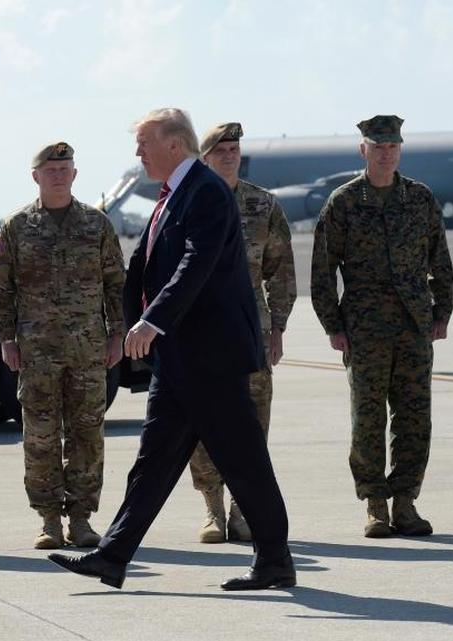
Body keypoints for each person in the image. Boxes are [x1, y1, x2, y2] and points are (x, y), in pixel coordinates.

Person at [48, 108, 295, 591]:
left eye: (143, 143)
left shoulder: (205, 192)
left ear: (174, 146)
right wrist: (124, 325)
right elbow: (142, 265)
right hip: (180, 358)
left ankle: (274, 560)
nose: (137, 153)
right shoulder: (175, 193)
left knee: (242, 459)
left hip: (210, 356)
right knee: (154, 461)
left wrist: (153, 320)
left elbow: (195, 263)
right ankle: (113, 556)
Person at [310, 115, 453, 538]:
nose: (386, 153)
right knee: (368, 419)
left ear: (399, 150)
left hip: (414, 326)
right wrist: (333, 325)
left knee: (414, 417)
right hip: (364, 327)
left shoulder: (419, 198)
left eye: (392, 146)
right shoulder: (344, 202)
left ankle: (406, 501)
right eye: (378, 146)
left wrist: (441, 312)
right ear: (363, 151)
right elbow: (323, 270)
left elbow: (440, 259)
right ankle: (375, 503)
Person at [0, 141, 126, 549]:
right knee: (41, 437)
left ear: (75, 174)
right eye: (51, 169)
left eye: (65, 168)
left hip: (88, 352)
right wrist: (7, 338)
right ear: (36, 176)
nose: (58, 175)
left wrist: (116, 333)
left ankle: (81, 519)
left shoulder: (96, 225)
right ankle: (48, 519)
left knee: (87, 437)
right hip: (37, 353)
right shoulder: (16, 227)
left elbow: (116, 283)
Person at [189, 122, 296, 543]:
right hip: (200, 331)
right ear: (205, 157)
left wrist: (278, 326)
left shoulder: (263, 204)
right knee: (203, 424)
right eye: (221, 150)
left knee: (252, 424)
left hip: (251, 331)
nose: (230, 155)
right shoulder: (189, 202)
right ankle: (212, 510)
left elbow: (280, 271)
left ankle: (243, 510)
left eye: (234, 148)